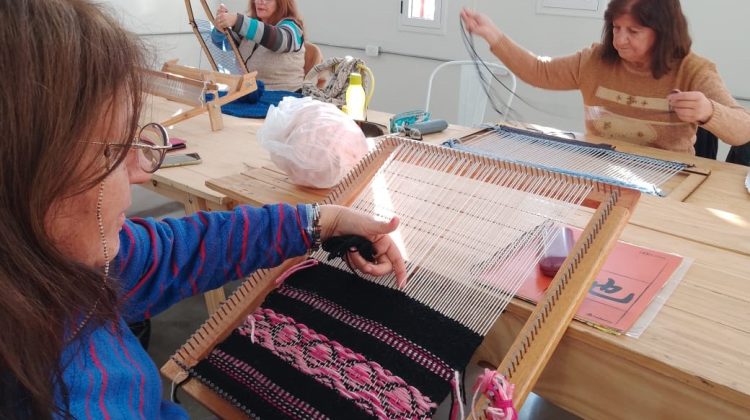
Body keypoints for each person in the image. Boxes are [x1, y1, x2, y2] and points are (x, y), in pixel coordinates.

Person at [0, 0, 406, 418]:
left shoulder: (56, 263)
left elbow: (178, 249)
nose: (141, 170)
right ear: (26, 171)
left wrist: (319, 220)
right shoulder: (71, 399)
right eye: (115, 149)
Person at [461, 0, 750, 155]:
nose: (620, 40)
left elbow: (743, 131)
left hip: (665, 184)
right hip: (601, 171)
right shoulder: (594, 60)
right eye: (616, 28)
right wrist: (493, 35)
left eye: (633, 32)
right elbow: (539, 71)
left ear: (663, 33)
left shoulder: (694, 69)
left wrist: (709, 111)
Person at [211, 0, 306, 91]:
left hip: (285, 98)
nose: (261, 1)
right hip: (251, 93)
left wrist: (237, 21)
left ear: (281, 3)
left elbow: (279, 40)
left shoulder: (293, 27)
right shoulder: (249, 26)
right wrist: (221, 28)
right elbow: (225, 44)